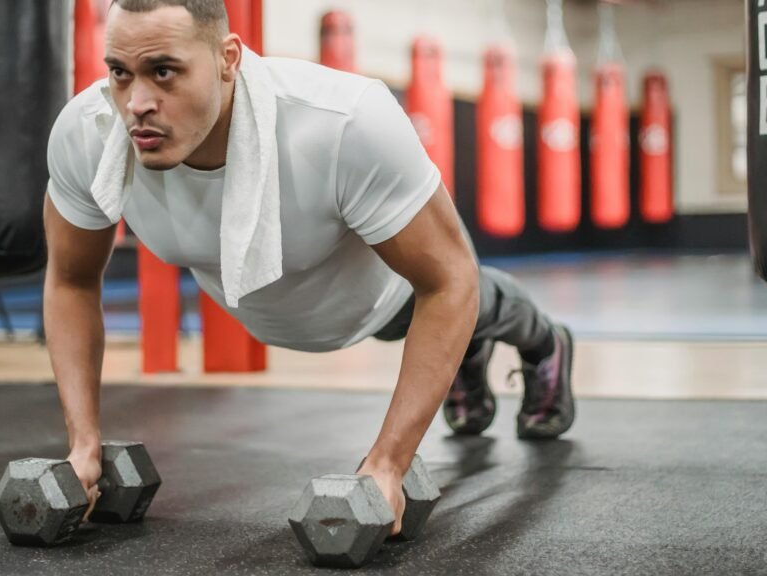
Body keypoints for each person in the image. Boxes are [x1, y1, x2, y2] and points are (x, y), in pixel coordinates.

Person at [43, 0, 574, 536]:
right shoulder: (88, 135)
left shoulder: (342, 122)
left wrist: (388, 464)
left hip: (389, 295)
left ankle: (544, 345)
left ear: (228, 59)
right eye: (120, 72)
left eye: (164, 72)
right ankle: (465, 355)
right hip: (276, 311)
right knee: (459, 317)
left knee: (478, 300)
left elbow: (450, 280)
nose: (136, 103)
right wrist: (83, 445)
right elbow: (70, 281)